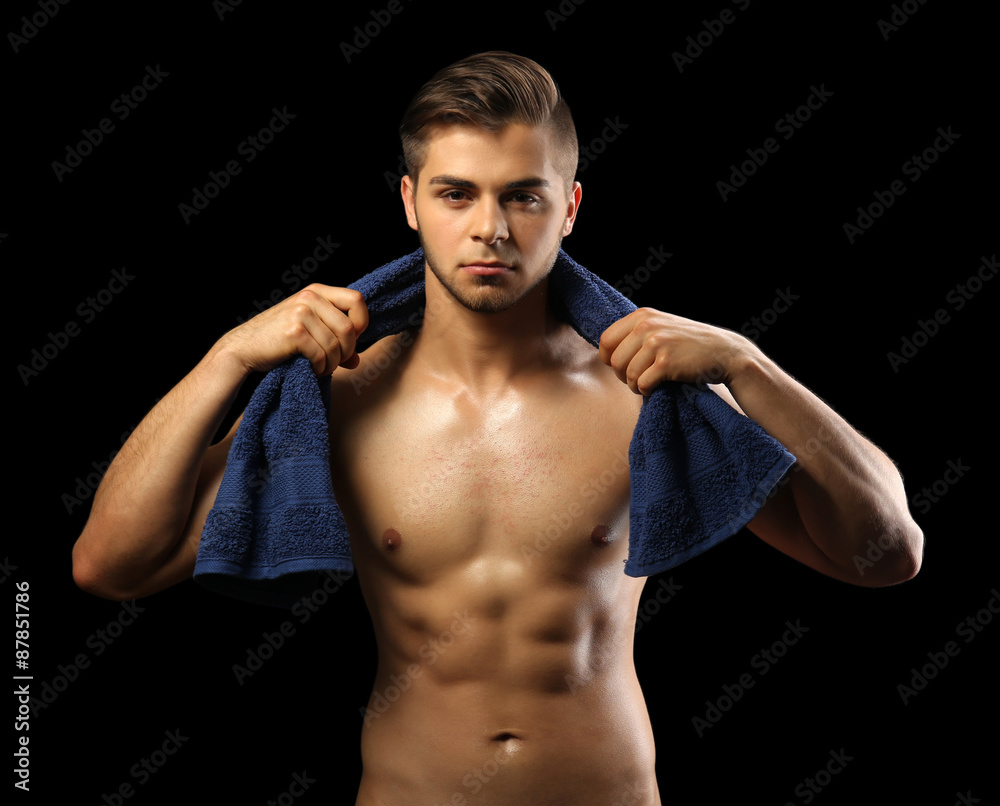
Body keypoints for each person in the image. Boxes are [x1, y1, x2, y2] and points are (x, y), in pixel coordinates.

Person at [72, 51, 924, 805]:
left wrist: (749, 363)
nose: (490, 227)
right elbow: (111, 565)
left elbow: (885, 555)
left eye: (523, 195)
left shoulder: (647, 395)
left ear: (570, 207)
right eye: (456, 193)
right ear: (410, 202)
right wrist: (226, 358)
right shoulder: (339, 400)